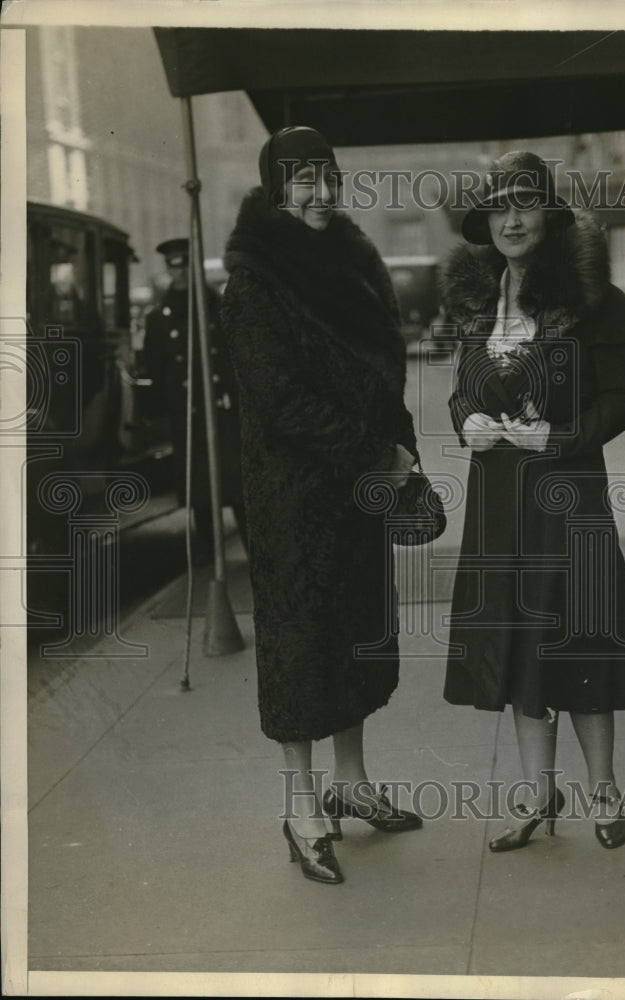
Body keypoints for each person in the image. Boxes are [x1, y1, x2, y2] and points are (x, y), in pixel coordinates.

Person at [443, 150, 625, 853]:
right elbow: (461, 390)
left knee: (582, 639)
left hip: (568, 497)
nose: (511, 219)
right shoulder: (479, 302)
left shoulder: (589, 298)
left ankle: (601, 792)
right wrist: (465, 423)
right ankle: (540, 795)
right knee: (516, 648)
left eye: (524, 203)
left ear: (548, 215)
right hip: (497, 502)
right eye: (498, 207)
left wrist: (558, 436)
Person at [221, 126, 422, 885]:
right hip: (292, 498)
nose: (320, 193)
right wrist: (375, 454)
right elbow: (277, 403)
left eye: (328, 177)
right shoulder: (253, 279)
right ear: (276, 188)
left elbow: (384, 368)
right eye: (302, 179)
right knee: (302, 647)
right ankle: (302, 806)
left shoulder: (353, 260)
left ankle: (353, 783)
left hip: (356, 490)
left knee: (356, 633)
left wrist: (400, 455)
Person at [141, 238, 247, 554]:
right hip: (188, 412)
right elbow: (155, 368)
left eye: (185, 266)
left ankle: (256, 552)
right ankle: (209, 553)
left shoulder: (220, 308)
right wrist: (157, 415)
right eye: (173, 268)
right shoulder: (159, 318)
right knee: (200, 487)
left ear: (195, 267)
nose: (180, 274)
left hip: (225, 408)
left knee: (239, 484)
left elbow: (240, 356)